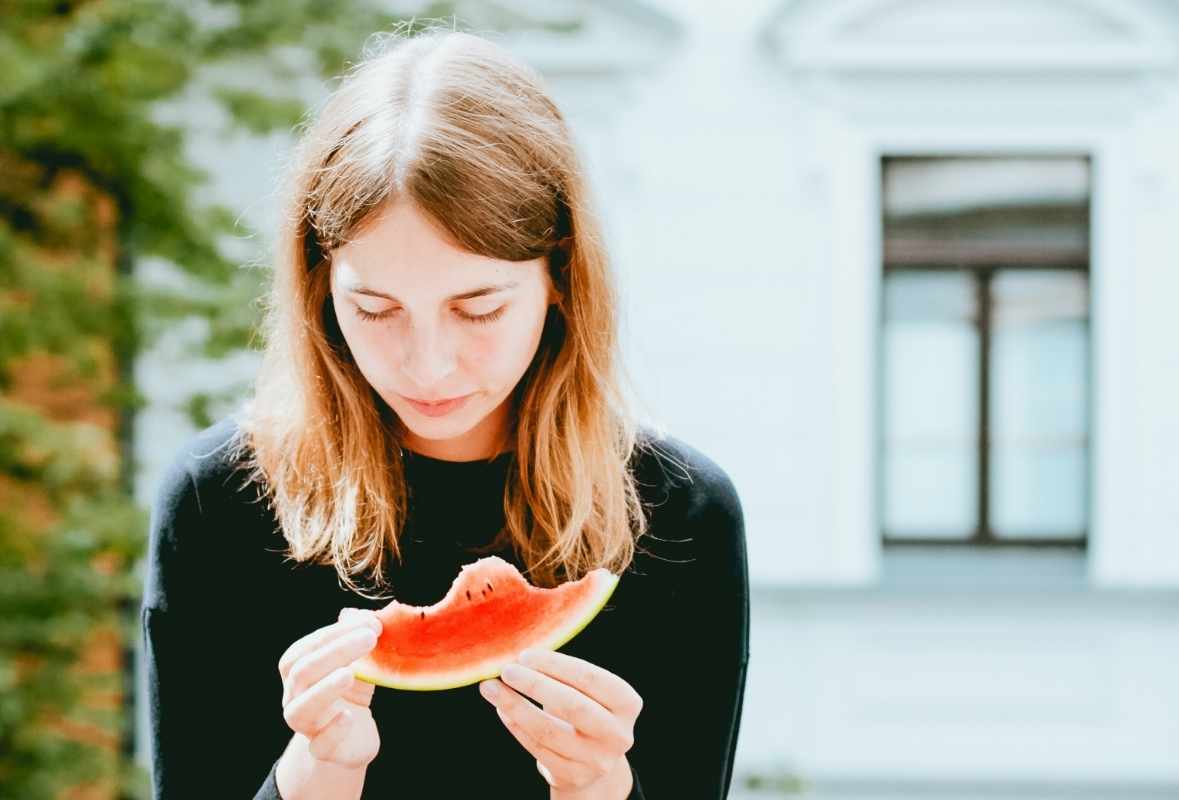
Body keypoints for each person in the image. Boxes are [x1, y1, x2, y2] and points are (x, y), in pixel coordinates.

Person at [140, 24, 749, 800]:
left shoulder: (679, 515)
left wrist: (597, 789)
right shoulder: (218, 501)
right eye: (376, 308)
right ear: (321, 289)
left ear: (559, 277)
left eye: (479, 309)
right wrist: (318, 772)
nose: (426, 365)